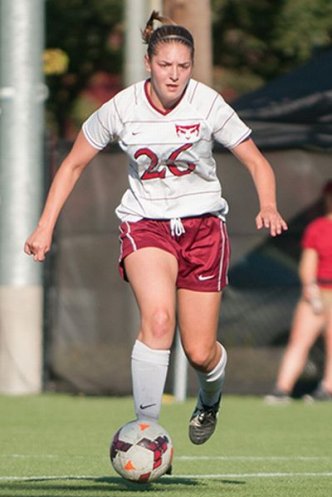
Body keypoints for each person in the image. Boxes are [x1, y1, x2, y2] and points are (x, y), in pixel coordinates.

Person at [24, 11, 288, 445]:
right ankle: (146, 434)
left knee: (201, 352)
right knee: (159, 319)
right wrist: (44, 227)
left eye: (184, 66)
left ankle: (209, 399)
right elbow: (72, 165)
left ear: (192, 66)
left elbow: (257, 161)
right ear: (148, 63)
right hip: (145, 224)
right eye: (165, 65)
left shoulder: (207, 103)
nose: (175, 75)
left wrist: (270, 204)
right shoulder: (122, 108)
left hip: (204, 228)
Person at [266, 180, 332, 404]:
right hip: (318, 291)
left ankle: (328, 389)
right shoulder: (318, 227)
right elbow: (308, 264)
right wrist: (310, 289)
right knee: (299, 340)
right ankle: (281, 389)